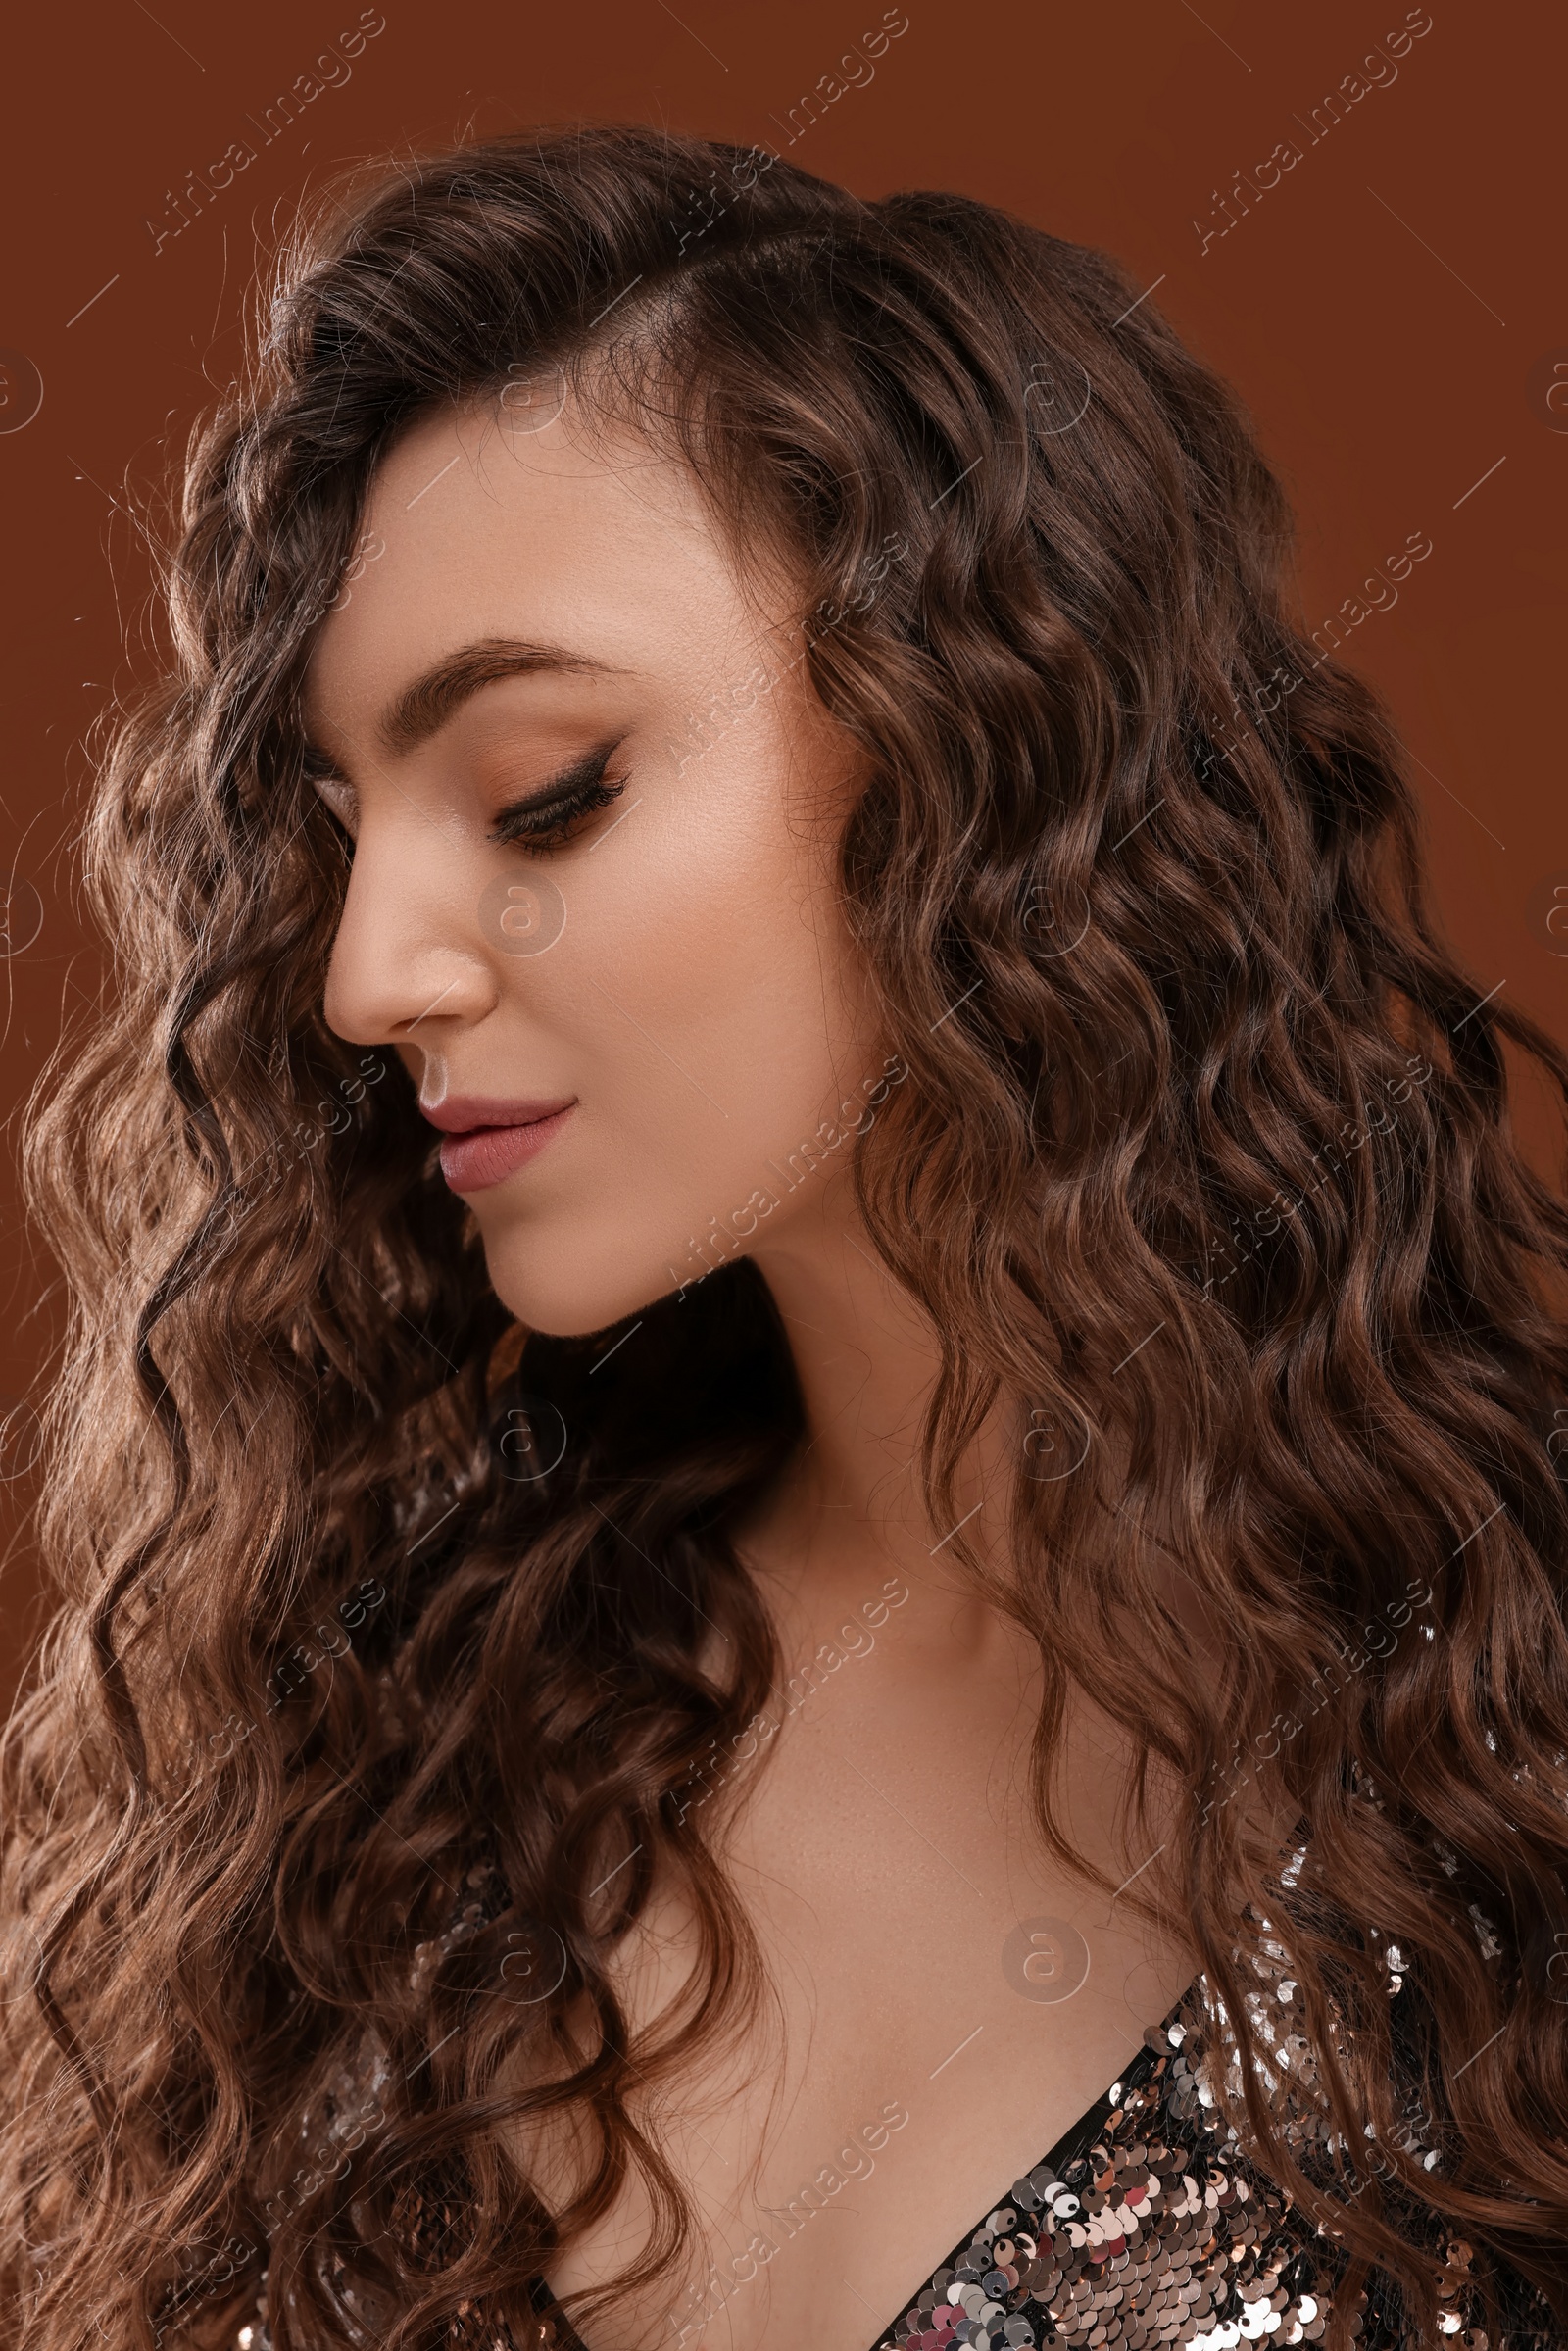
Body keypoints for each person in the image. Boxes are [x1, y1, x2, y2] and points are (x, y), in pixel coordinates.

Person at [2, 122, 1566, 2351]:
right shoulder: (384, 1748)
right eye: (337, 837)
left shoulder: (1504, 1725)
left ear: (983, 754)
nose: (368, 980)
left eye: (546, 788)